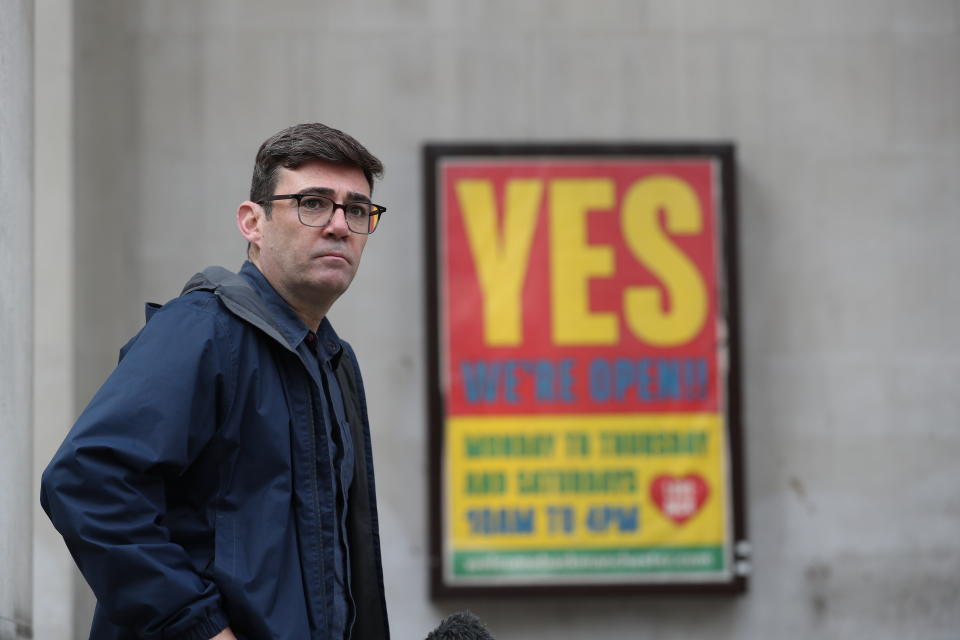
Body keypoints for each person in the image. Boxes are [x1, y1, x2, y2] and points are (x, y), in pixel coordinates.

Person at [41, 123, 391, 640]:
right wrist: (200, 627)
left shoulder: (336, 365)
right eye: (313, 202)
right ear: (253, 222)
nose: (339, 225)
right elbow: (85, 482)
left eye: (356, 209)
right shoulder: (201, 329)